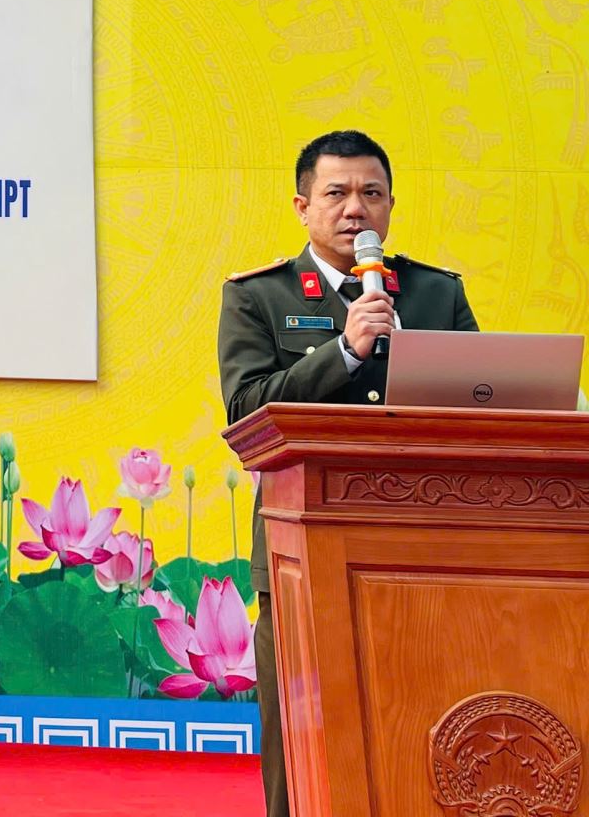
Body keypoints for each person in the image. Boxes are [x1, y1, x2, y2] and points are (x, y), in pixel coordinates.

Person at [217, 130, 478, 817]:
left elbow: (483, 401)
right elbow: (247, 412)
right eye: (336, 193)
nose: (355, 208)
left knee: (422, 721)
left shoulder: (435, 294)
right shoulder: (258, 297)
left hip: (421, 545)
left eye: (371, 193)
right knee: (299, 732)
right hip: (300, 554)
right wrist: (345, 351)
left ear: (390, 205)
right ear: (303, 206)